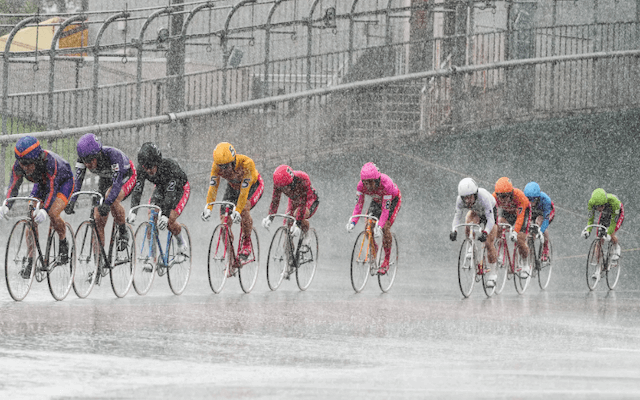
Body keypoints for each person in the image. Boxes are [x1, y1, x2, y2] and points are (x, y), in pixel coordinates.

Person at [0, 136, 75, 275]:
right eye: (22, 163)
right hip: (41, 185)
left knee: (53, 212)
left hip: (63, 183)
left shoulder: (49, 162)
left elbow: (52, 190)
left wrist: (45, 210)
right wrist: (6, 205)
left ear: (37, 159)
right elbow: (13, 186)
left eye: (28, 163)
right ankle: (31, 259)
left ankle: (63, 241)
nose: (25, 167)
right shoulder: (19, 166)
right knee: (31, 216)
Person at [65, 133, 137, 251]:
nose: (88, 164)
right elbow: (77, 183)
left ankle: (123, 232)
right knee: (98, 219)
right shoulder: (83, 159)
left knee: (111, 198)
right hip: (106, 179)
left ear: (98, 154)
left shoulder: (113, 156)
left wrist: (107, 203)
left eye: (90, 160)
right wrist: (72, 201)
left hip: (126, 176)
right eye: (85, 161)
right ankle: (100, 264)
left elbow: (117, 184)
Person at [201, 142, 264, 258]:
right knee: (224, 220)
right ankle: (231, 257)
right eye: (221, 166)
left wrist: (238, 210)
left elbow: (244, 192)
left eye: (226, 166)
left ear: (233, 161)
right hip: (233, 188)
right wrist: (209, 207)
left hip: (253, 186)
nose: (224, 170)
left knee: (244, 209)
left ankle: (246, 243)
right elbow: (213, 187)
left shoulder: (247, 164)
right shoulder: (216, 166)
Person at [127, 142, 190, 254]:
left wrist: (165, 215)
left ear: (157, 162)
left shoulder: (170, 167)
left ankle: (181, 242)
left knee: (170, 221)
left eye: (151, 167)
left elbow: (170, 194)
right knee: (152, 218)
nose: (148, 171)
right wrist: (133, 211)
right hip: (161, 188)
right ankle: (152, 258)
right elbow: (138, 189)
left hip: (179, 189)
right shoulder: (142, 168)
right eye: (145, 167)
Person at [346, 162, 401, 274]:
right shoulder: (361, 186)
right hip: (376, 201)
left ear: (376, 179)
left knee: (385, 227)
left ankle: (386, 260)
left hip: (392, 201)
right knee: (368, 225)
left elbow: (385, 211)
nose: (368, 186)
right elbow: (358, 206)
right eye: (365, 183)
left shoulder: (386, 184)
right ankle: (374, 248)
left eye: (370, 182)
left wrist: (380, 227)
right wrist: (353, 222)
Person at [450, 177, 498, 287]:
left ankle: (493, 274)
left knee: (489, 242)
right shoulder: (459, 200)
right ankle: (471, 246)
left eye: (470, 197)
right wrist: (454, 230)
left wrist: (485, 232)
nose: (467, 201)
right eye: (464, 198)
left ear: (475, 194)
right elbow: (457, 217)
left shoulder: (483, 197)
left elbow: (491, 219)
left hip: (489, 213)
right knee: (468, 222)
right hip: (476, 212)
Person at [261, 165, 319, 249]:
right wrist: (270, 217)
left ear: (292, 180)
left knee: (298, 215)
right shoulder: (278, 183)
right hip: (294, 200)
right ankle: (290, 258)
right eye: (283, 188)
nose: (286, 190)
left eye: (288, 186)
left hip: (309, 200)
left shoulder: (302, 179)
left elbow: (303, 203)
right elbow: (275, 201)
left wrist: (298, 224)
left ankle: (306, 234)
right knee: (287, 224)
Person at [493, 177, 531, 276]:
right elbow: (491, 214)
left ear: (511, 194)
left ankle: (525, 264)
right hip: (508, 212)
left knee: (520, 239)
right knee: (499, 225)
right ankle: (500, 252)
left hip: (522, 212)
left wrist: (515, 231)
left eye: (505, 196)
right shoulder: (494, 197)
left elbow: (520, 217)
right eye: (500, 196)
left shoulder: (519, 197)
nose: (502, 199)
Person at [582, 188, 623, 267]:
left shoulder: (614, 202)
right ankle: (599, 264)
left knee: (610, 232)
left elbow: (613, 222)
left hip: (617, 212)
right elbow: (590, 220)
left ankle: (616, 247)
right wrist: (588, 231)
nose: (599, 209)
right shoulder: (591, 203)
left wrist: (608, 233)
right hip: (606, 213)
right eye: (597, 207)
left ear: (604, 203)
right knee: (599, 235)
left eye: (601, 207)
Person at [523, 181, 554, 262]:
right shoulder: (525, 200)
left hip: (546, 212)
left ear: (538, 197)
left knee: (539, 222)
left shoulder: (545, 200)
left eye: (533, 199)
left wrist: (541, 231)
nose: (531, 202)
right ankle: (530, 248)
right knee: (530, 228)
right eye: (528, 199)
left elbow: (546, 220)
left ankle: (545, 248)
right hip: (534, 212)